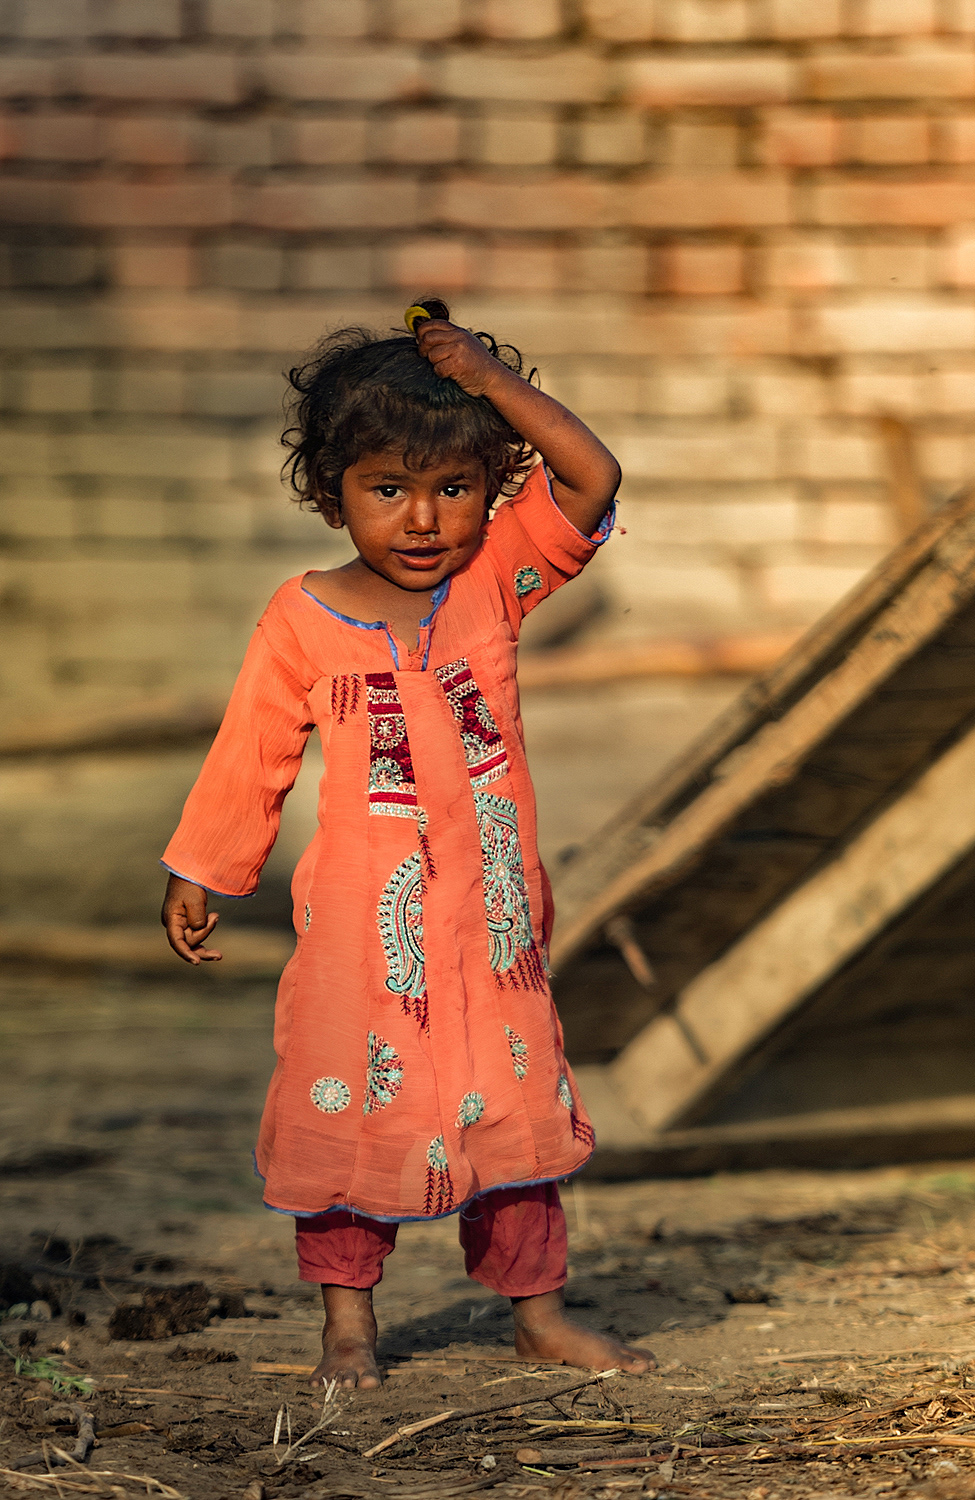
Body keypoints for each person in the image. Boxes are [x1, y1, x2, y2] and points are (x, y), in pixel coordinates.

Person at [159, 299, 654, 1388]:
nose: (423, 520)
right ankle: (349, 1324)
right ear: (331, 493)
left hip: (492, 925)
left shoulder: (497, 585)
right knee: (343, 1107)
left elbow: (593, 476)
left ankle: (539, 1313)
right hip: (360, 939)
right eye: (388, 489)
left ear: (490, 491)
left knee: (519, 1112)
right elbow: (253, 753)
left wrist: (488, 380)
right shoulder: (300, 619)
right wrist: (203, 868)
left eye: (455, 489)